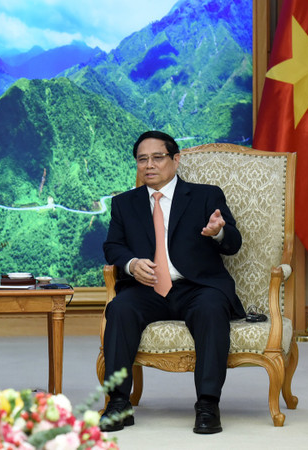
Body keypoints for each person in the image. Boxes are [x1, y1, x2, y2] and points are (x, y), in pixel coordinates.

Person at [100, 130, 244, 434]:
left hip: (198, 288)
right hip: (147, 288)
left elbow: (233, 244)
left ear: (175, 160)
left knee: (211, 309)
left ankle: (207, 404)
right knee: (120, 309)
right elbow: (113, 246)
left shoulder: (206, 196)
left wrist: (218, 231)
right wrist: (131, 263)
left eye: (157, 157)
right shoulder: (124, 204)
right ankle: (118, 402)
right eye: (142, 159)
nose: (149, 165)